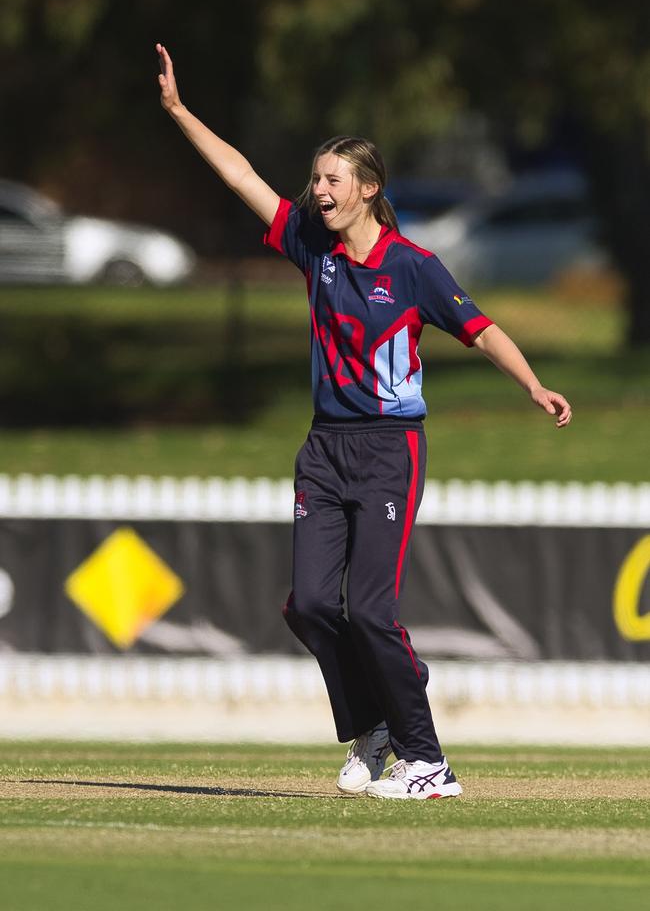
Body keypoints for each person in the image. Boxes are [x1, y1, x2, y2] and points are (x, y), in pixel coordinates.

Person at [156, 43, 572, 800]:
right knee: (311, 604)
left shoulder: (413, 265)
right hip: (323, 448)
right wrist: (182, 113)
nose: (316, 189)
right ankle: (374, 728)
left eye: (331, 178)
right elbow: (239, 175)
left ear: (367, 189)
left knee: (373, 612)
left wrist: (534, 386)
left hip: (389, 451)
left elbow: (481, 329)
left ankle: (430, 764)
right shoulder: (311, 246)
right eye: (315, 177)